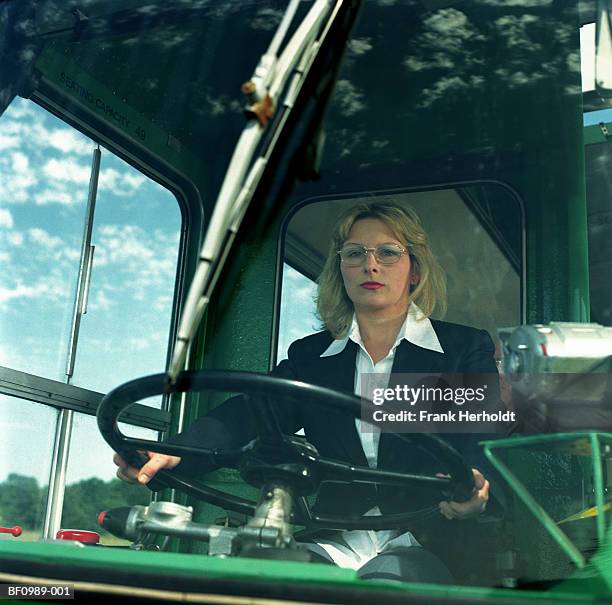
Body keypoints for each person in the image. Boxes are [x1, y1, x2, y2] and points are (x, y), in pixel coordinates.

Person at [114, 202, 503, 583]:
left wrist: (472, 484)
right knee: (274, 583)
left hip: (427, 536)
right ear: (341, 269)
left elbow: (479, 438)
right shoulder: (312, 358)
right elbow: (251, 413)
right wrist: (174, 452)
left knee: (386, 586)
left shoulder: (462, 351)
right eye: (354, 254)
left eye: (388, 252)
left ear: (414, 269)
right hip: (333, 536)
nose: (371, 265)